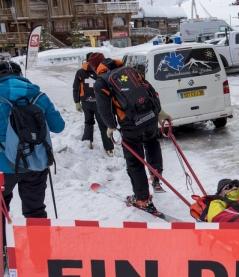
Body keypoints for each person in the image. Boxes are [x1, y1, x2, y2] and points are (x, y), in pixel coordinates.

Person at [0, 61, 65, 251]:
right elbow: (59, 126)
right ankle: (40, 255)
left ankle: (1, 249)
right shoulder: (39, 96)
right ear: (20, 74)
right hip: (36, 164)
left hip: (3, 167)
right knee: (35, 209)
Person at [89, 52, 172, 212]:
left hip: (131, 122)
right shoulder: (129, 70)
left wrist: (111, 126)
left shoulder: (102, 82)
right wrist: (159, 111)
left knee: (135, 160)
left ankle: (142, 199)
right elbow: (150, 90)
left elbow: (103, 108)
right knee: (152, 142)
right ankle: (156, 177)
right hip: (149, 116)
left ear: (95, 67)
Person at [72, 52, 114, 156]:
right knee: (103, 125)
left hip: (86, 101)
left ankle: (88, 142)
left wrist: (77, 102)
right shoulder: (100, 71)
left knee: (88, 122)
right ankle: (109, 148)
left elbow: (76, 88)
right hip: (99, 102)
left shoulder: (80, 72)